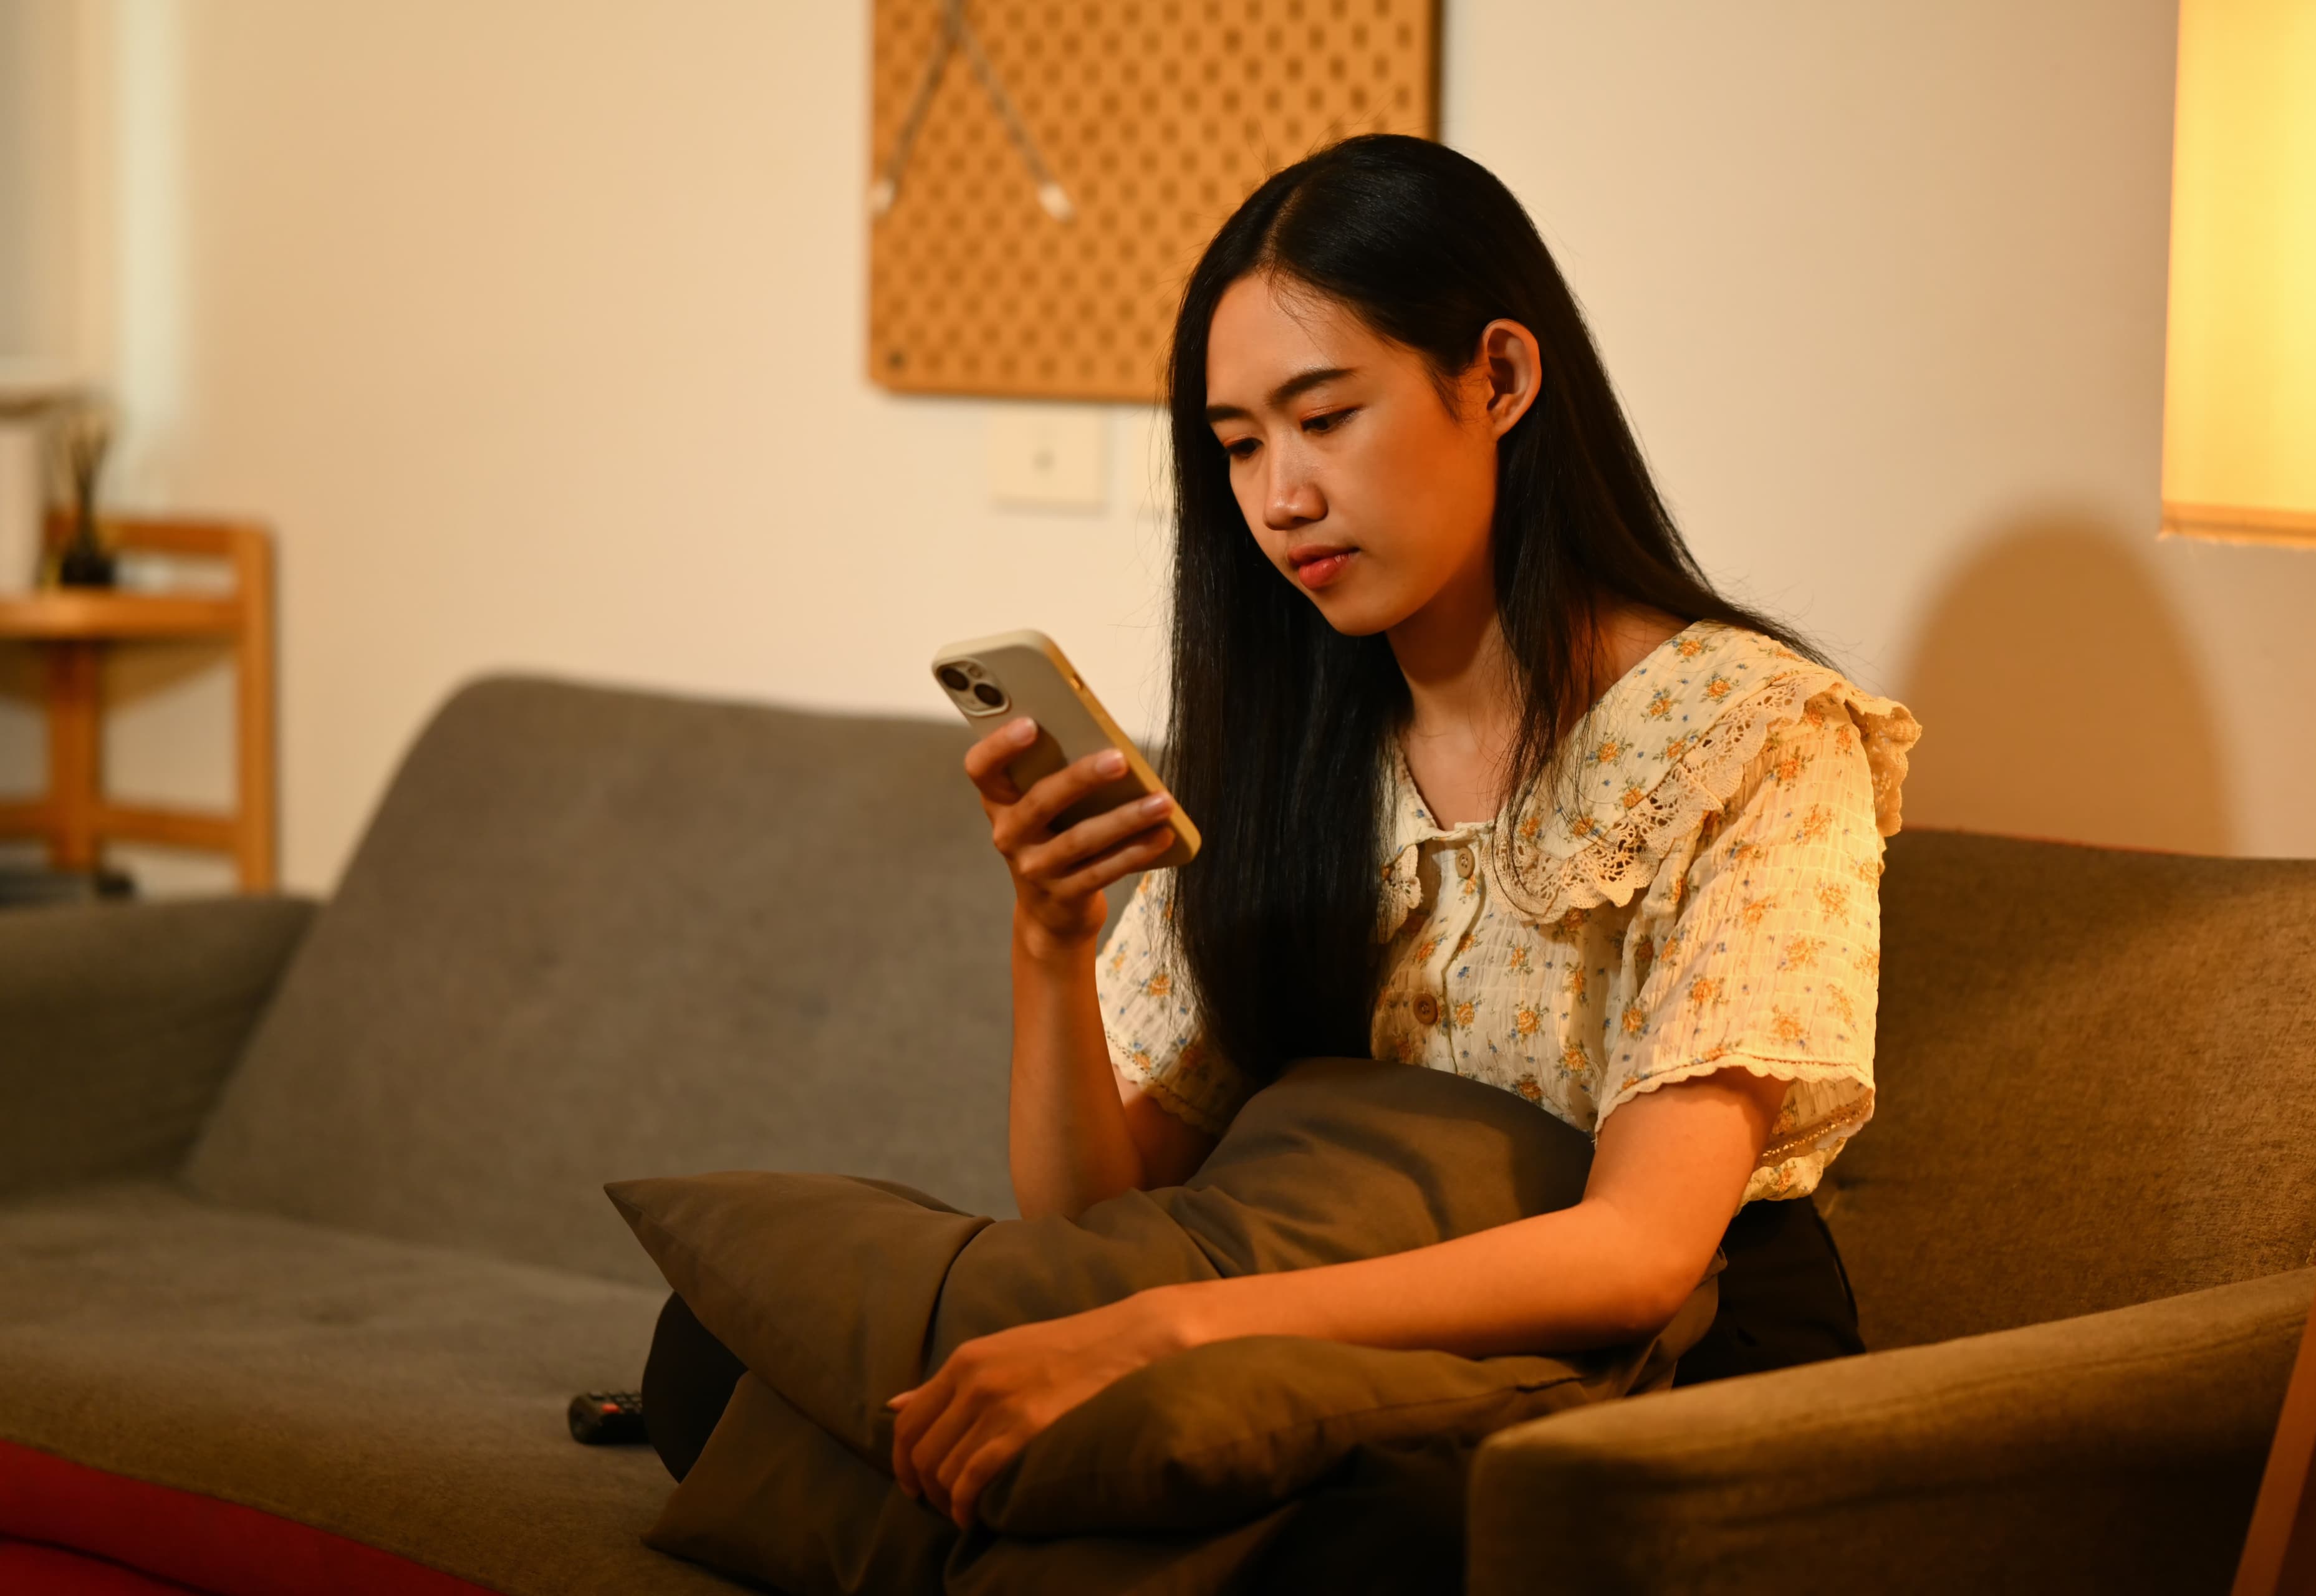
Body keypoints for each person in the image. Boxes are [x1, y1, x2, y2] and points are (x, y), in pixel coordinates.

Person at [645, 135, 1918, 1533]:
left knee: (1366, 1521)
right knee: (720, 1341)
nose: (1279, 497)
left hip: (1632, 1369)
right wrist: (1048, 943)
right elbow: (1090, 1217)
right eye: (1240, 445)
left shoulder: (1748, 732)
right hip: (1285, 1316)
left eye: (1325, 417)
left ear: (1499, 377)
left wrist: (1167, 1332)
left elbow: (1639, 1249)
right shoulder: (1298, 736)